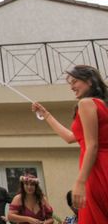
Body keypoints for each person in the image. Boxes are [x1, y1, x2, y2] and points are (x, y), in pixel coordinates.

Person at [32, 64, 108, 223]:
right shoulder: (102, 104)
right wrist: (46, 115)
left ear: (89, 81)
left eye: (75, 82)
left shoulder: (86, 103)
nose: (72, 87)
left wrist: (80, 182)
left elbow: (92, 145)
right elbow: (71, 137)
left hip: (97, 168)